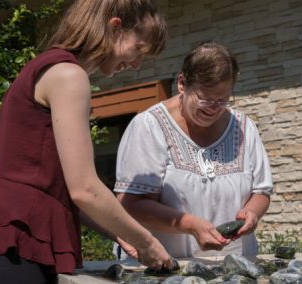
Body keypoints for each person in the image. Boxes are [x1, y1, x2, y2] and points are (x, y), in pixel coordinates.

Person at [0, 1, 174, 283]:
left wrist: (116, 232)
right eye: (139, 49)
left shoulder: (46, 67)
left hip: (10, 235)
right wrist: (147, 242)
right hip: (18, 239)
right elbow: (84, 189)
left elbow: (56, 186)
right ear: (115, 28)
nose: (137, 65)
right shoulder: (68, 75)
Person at [114, 41, 273, 259]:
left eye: (222, 100)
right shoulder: (149, 127)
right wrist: (189, 225)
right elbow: (132, 205)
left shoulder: (244, 127)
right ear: (182, 83)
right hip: (165, 268)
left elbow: (261, 191)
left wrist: (252, 213)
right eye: (205, 99)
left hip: (234, 265)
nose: (213, 109)